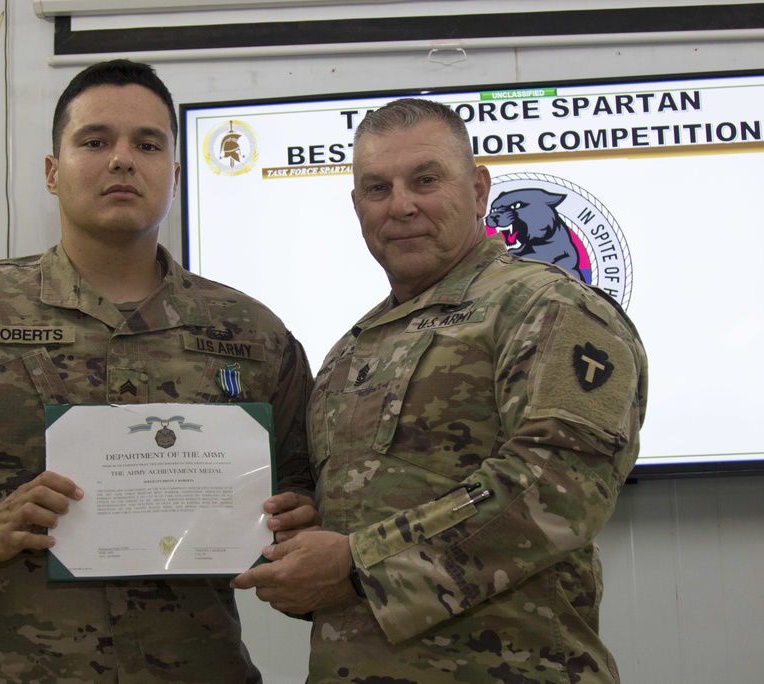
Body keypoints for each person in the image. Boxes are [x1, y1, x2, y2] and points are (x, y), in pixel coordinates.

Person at [0, 59, 316, 683]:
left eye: (147, 144)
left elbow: (304, 483)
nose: (122, 160)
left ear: (175, 175)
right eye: (95, 141)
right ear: (53, 171)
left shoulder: (251, 333)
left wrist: (296, 519)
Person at [232, 98, 648, 683]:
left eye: (426, 180)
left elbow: (558, 485)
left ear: (478, 190)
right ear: (358, 207)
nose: (401, 205)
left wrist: (355, 566)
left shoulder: (547, 307)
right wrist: (301, 535)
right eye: (377, 188)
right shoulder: (350, 352)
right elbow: (357, 522)